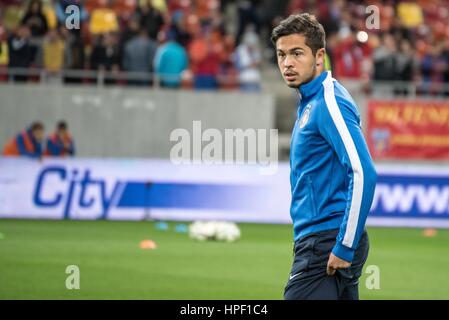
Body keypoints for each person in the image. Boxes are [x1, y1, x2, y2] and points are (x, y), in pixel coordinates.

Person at [271, 13, 377, 300]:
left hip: (326, 242)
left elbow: (363, 172)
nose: (287, 63)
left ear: (319, 56)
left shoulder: (329, 101)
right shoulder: (311, 102)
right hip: (319, 239)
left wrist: (344, 244)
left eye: (296, 53)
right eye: (281, 55)